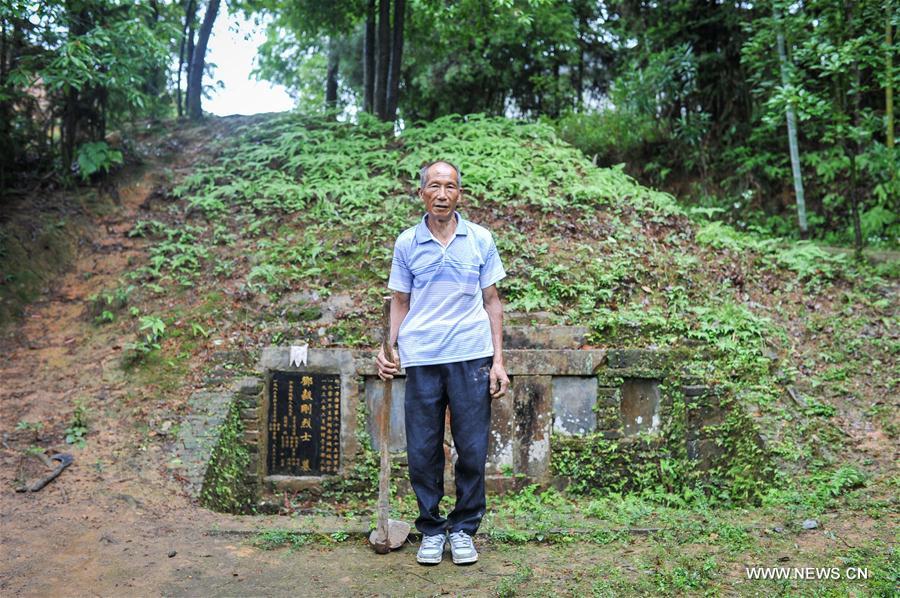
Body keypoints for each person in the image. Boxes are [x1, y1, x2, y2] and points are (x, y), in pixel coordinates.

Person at [375, 160, 509, 566]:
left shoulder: (481, 239)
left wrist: (498, 361)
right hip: (423, 357)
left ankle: (464, 528)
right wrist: (389, 349)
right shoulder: (407, 242)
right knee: (422, 449)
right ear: (422, 194)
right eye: (434, 186)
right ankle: (432, 529)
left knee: (472, 448)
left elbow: (492, 301)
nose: (442, 194)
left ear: (459, 194)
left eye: (450, 186)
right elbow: (400, 301)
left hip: (471, 355)